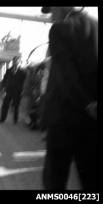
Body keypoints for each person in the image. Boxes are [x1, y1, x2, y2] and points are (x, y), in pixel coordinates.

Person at [41, 7, 98, 190]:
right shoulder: (96, 27)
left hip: (63, 120)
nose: (50, 17)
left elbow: (66, 76)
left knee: (55, 180)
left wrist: (87, 103)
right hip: (92, 123)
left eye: (50, 11)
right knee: (91, 179)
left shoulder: (59, 30)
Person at [0, 56, 26, 124]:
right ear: (12, 62)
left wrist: (22, 91)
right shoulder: (8, 70)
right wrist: (3, 88)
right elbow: (4, 80)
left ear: (19, 62)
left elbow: (24, 82)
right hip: (8, 91)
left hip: (17, 92)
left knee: (16, 106)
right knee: (5, 105)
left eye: (17, 61)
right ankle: (2, 119)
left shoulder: (22, 72)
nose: (15, 62)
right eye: (14, 61)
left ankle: (15, 120)